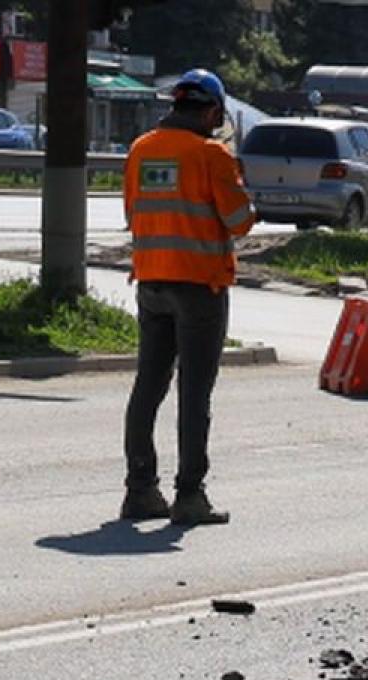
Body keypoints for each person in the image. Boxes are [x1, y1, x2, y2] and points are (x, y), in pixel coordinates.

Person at [119, 69, 255, 527]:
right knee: (194, 393)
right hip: (198, 288)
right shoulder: (210, 154)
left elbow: (133, 211)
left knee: (148, 387)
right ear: (213, 111)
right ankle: (189, 496)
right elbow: (239, 221)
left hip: (152, 283)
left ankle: (140, 491)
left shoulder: (141, 149)